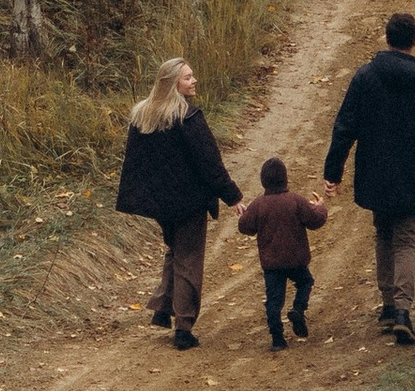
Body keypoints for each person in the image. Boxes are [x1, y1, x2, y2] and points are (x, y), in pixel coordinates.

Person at [321, 11, 415, 347]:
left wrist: (332, 174)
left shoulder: (366, 77)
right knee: (406, 239)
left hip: (376, 170)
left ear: (386, 38)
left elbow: (344, 127)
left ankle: (386, 306)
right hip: (414, 172)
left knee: (383, 232)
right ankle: (402, 311)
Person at [113, 55, 240, 351]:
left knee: (175, 250)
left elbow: (134, 164)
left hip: (159, 205)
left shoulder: (143, 116)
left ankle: (162, 307)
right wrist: (232, 196)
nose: (193, 81)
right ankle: (183, 326)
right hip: (189, 202)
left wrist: (140, 199)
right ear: (173, 84)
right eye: (187, 77)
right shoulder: (188, 118)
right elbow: (210, 163)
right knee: (189, 258)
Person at [235, 155, 328, 350]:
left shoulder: (259, 204)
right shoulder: (295, 200)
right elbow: (314, 220)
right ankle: (298, 308)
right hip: (297, 260)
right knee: (305, 282)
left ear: (263, 181)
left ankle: (277, 339)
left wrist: (244, 216)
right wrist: (320, 207)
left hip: (272, 264)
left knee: (274, 300)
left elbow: (245, 227)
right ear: (285, 178)